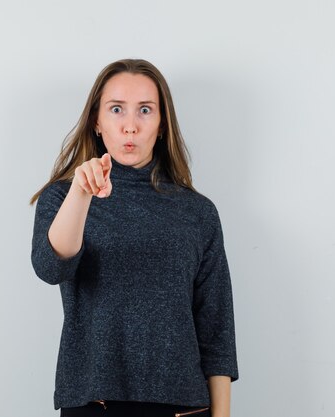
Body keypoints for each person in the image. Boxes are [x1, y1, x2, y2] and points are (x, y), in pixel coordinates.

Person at [29, 59, 239, 417]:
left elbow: (216, 330)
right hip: (95, 403)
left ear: (161, 125)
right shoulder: (65, 198)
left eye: (145, 110)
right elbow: (51, 267)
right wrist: (81, 192)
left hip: (182, 407)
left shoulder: (198, 212)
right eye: (116, 109)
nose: (130, 126)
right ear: (97, 120)